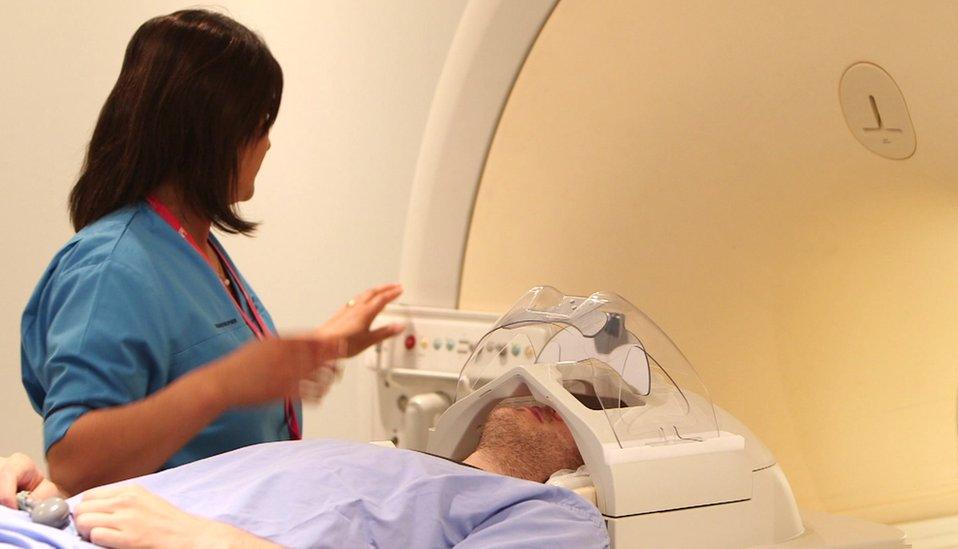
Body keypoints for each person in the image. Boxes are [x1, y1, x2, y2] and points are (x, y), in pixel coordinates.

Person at [20, 9, 403, 497]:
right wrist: (219, 386)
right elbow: (76, 464)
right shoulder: (111, 265)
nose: (267, 143)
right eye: (260, 123)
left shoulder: (192, 244)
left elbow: (217, 365)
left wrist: (322, 345)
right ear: (209, 129)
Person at [0, 401, 607, 548]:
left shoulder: (554, 512)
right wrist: (41, 489)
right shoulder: (389, 459)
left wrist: (220, 543)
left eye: (590, 401)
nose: (548, 395)